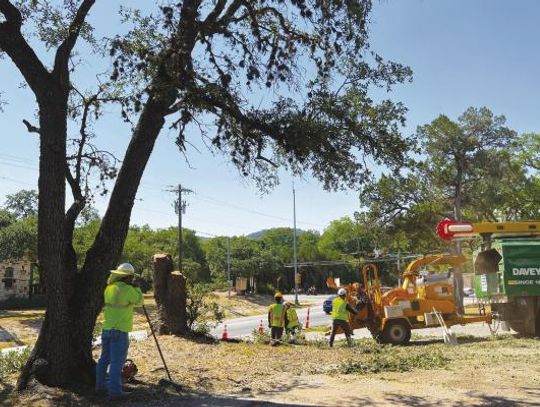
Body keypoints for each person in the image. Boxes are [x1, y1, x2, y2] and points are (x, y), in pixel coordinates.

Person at [96, 263, 143, 399]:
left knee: (104, 359)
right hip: (120, 331)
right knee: (117, 363)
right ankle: (115, 392)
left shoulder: (109, 288)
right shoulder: (128, 290)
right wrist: (138, 288)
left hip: (107, 329)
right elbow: (140, 301)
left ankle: (100, 387)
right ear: (128, 277)